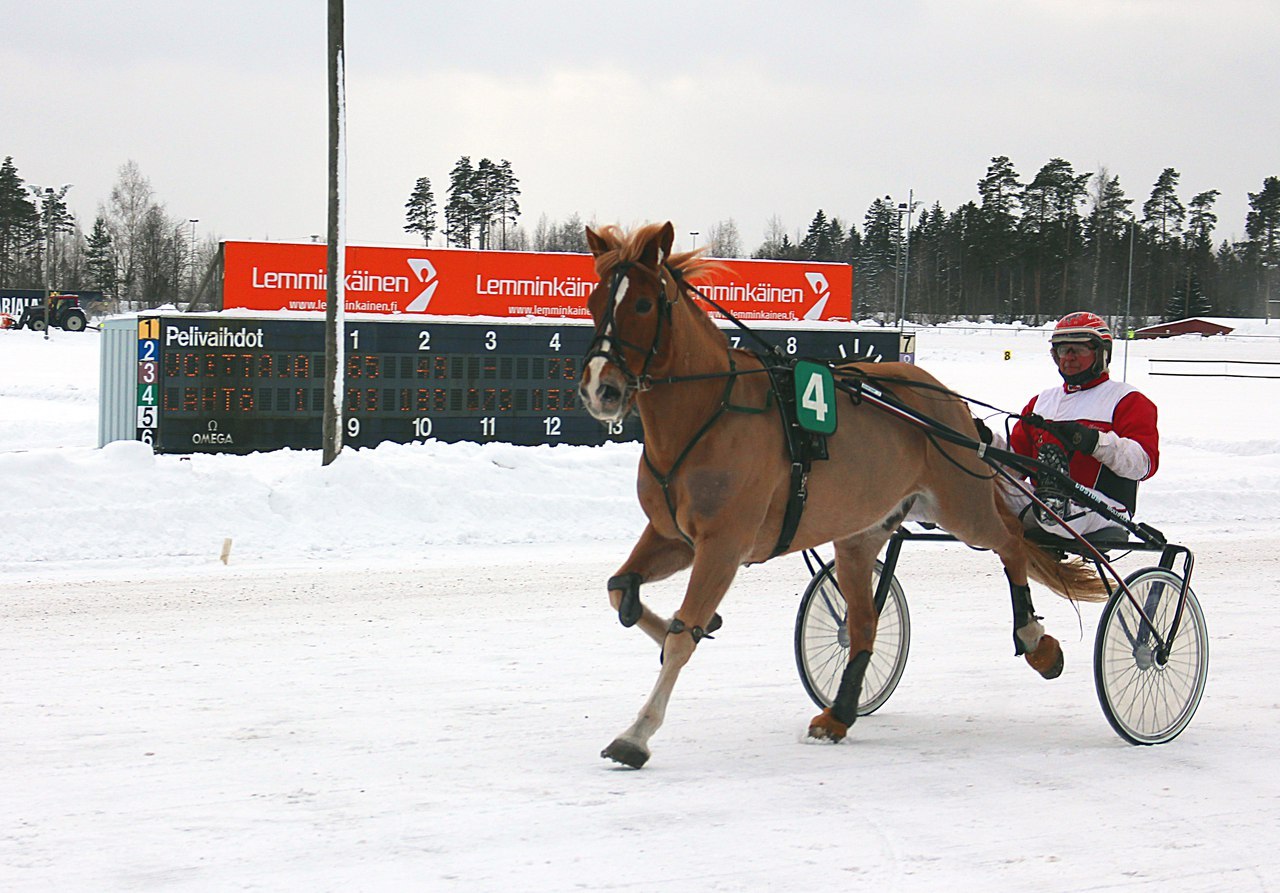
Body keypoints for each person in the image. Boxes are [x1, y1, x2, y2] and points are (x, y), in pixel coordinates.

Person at [1004, 311, 1159, 537]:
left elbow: (1142, 465)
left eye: (1078, 349)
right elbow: (1014, 464)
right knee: (990, 493)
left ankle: (1054, 505)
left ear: (1102, 353)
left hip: (1104, 507)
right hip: (1042, 502)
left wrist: (1094, 442)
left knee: (1053, 512)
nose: (1068, 357)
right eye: (1062, 350)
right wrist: (982, 441)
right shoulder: (1040, 403)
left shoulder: (1127, 400)